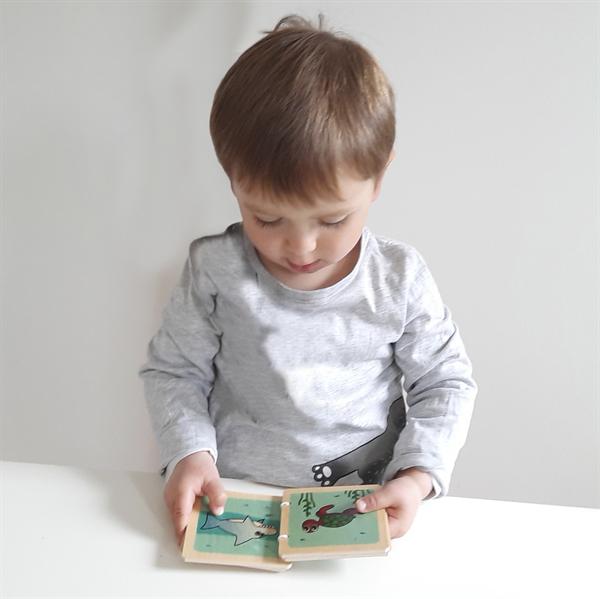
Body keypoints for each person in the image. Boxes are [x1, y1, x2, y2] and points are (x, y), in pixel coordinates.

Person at [138, 14, 477, 547]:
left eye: (332, 220)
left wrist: (417, 476)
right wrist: (189, 452)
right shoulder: (215, 269)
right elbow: (175, 372)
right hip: (233, 500)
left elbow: (445, 383)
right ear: (232, 181)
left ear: (378, 177)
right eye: (266, 218)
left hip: (361, 509)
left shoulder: (399, 279)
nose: (300, 248)